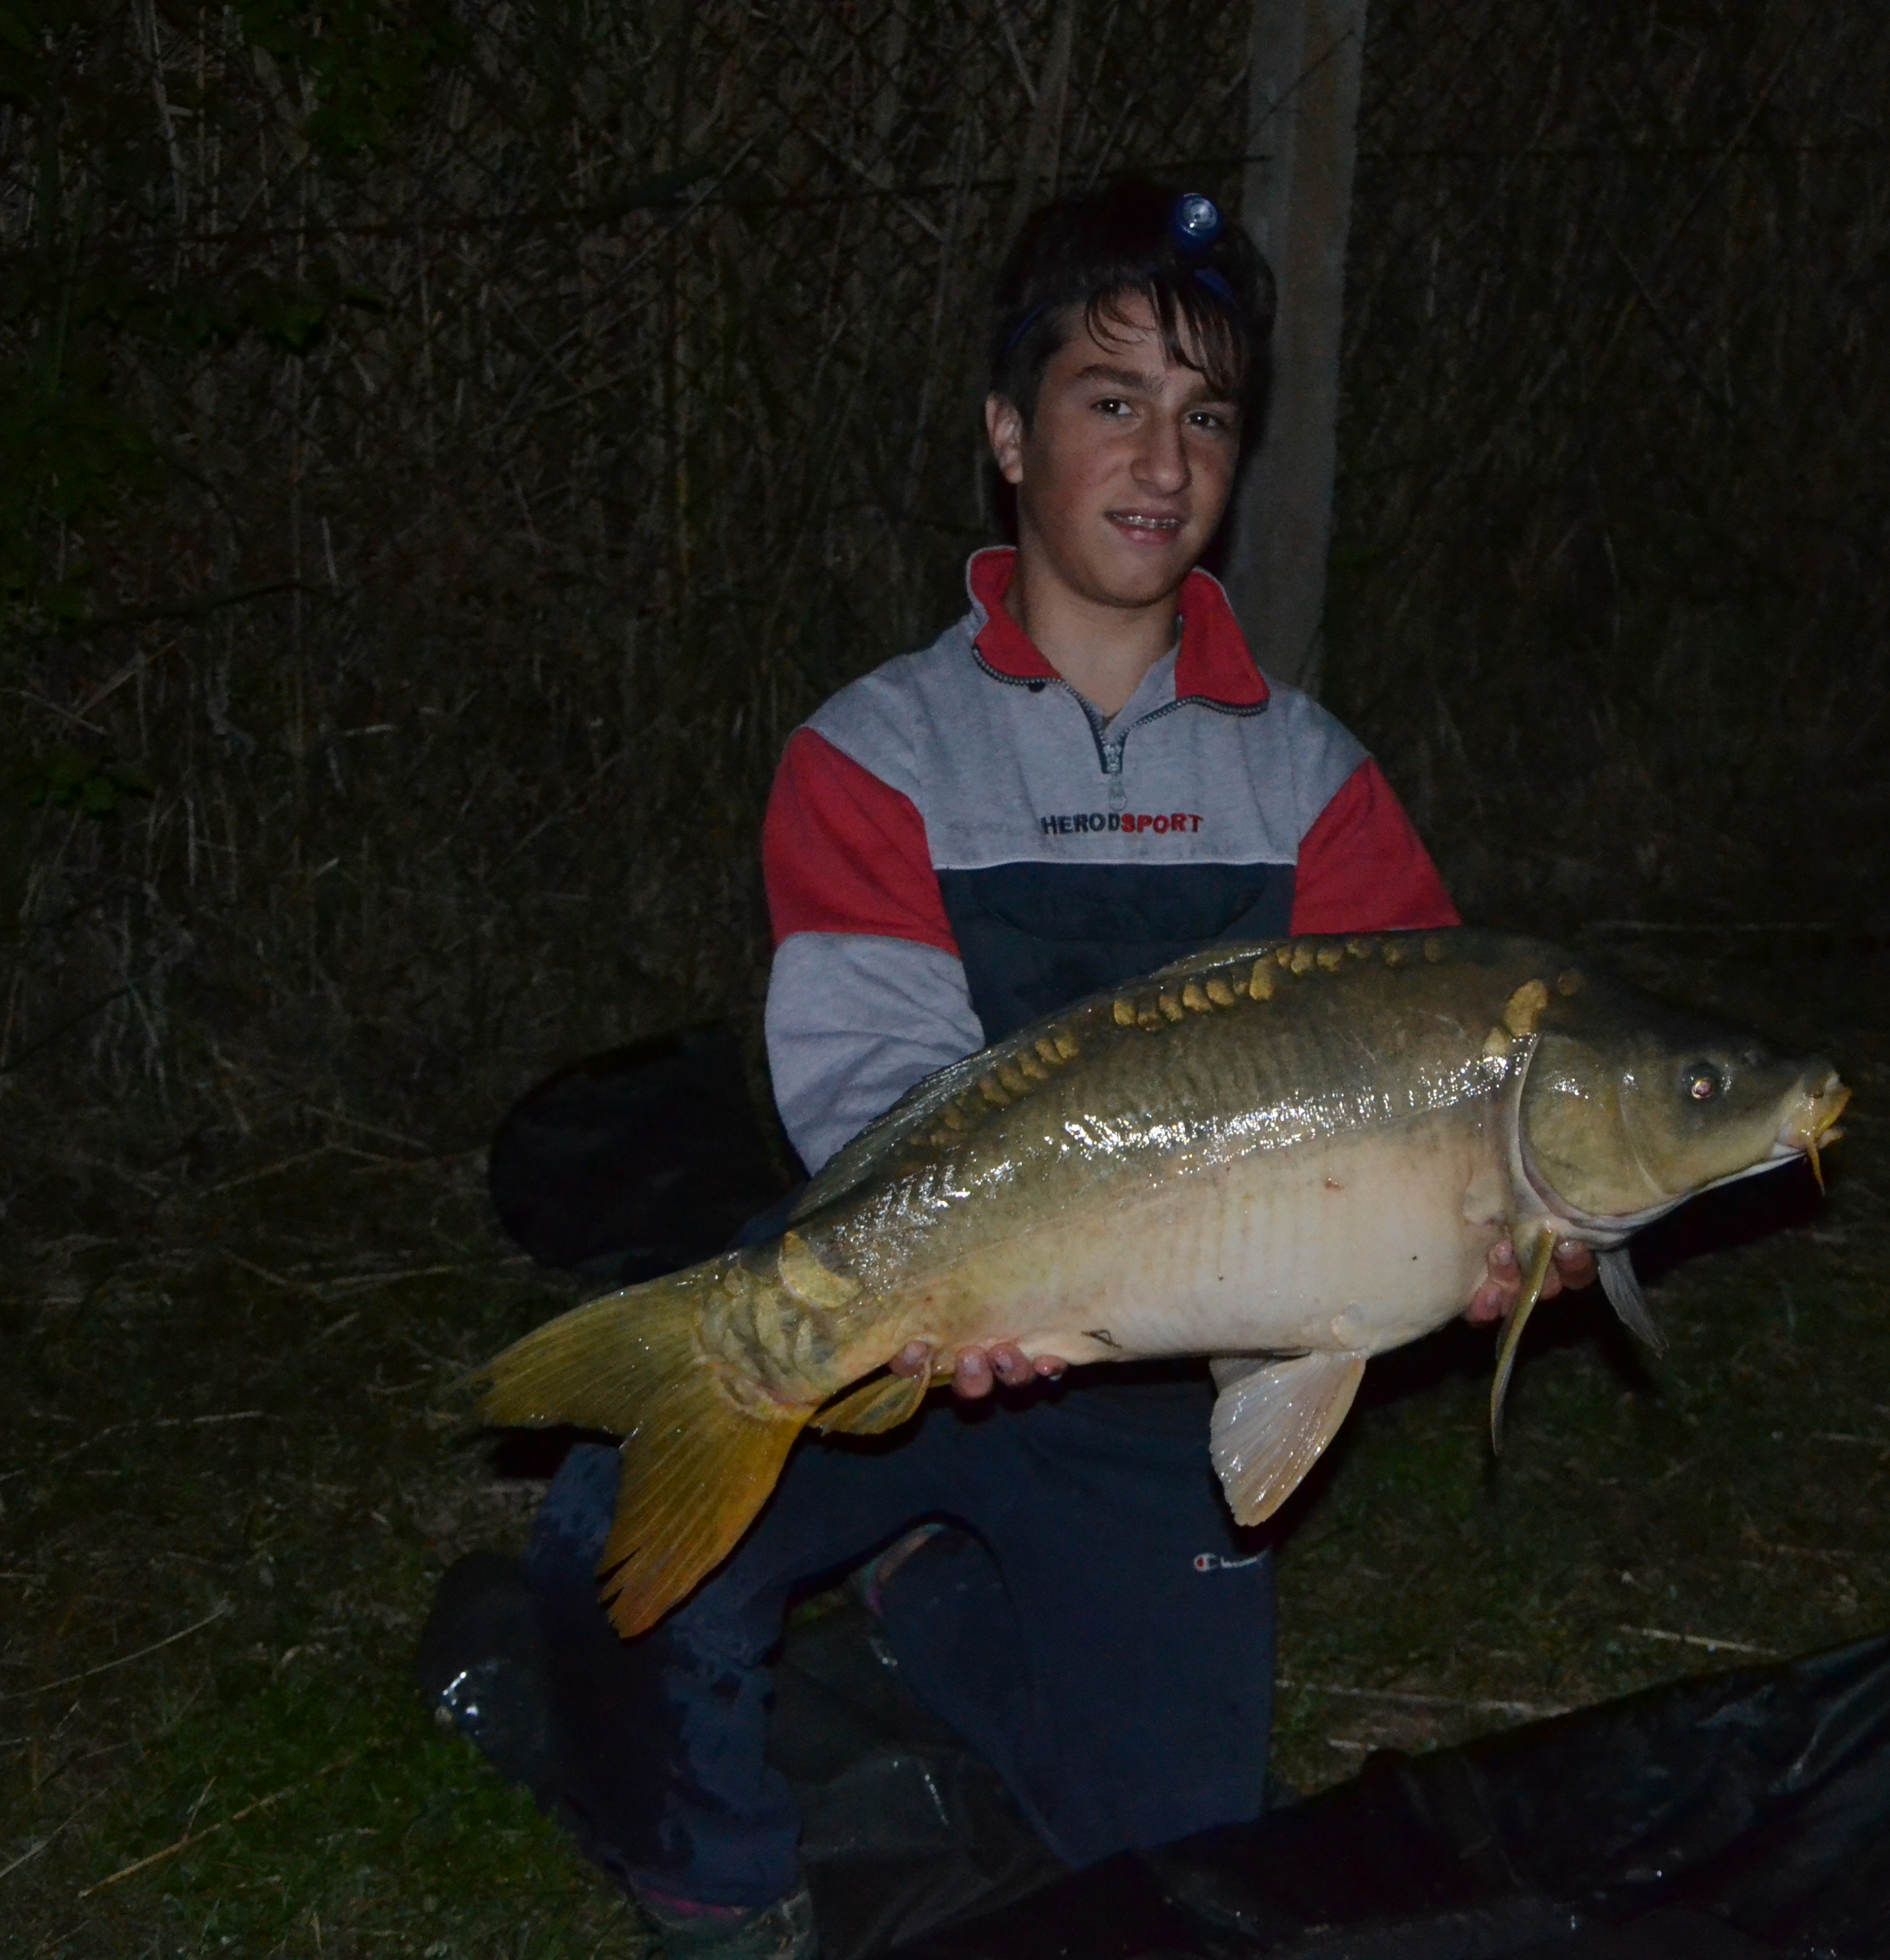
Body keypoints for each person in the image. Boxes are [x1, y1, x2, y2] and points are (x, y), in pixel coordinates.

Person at [476, 180, 1595, 1960]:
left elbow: (1426, 1092)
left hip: (1158, 1394)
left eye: (1206, 416)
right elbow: (870, 1077)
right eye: (1112, 399)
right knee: (614, 1551)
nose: (1162, 459)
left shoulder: (1309, 780)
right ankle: (725, 1895)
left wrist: (1503, 1238)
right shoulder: (878, 748)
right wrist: (962, 1277)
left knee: (1172, 1865)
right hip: (924, 1295)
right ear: (1010, 436)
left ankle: (931, 1595)